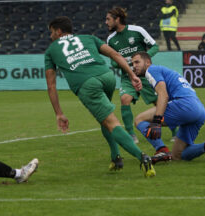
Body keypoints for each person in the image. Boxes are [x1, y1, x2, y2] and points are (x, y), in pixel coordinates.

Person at [43, 16, 155, 177]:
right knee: (105, 119)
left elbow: (51, 85)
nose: (50, 36)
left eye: (52, 32)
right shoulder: (89, 38)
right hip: (107, 77)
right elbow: (116, 55)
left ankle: (142, 157)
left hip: (87, 84)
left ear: (59, 31)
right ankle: (116, 158)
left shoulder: (51, 50)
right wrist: (132, 75)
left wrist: (59, 113)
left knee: (111, 122)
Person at [131, 52, 205, 163]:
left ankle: (161, 149)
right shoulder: (164, 71)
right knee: (177, 155)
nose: (134, 66)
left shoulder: (151, 70)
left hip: (184, 105)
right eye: (132, 63)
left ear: (148, 62)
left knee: (139, 119)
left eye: (137, 62)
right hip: (199, 110)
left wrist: (157, 121)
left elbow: (163, 95)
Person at [105, 7, 165, 150]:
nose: (106, 22)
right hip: (128, 76)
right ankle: (131, 134)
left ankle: (175, 130)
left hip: (145, 75)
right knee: (125, 99)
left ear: (117, 19)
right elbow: (113, 61)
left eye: (108, 19)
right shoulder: (111, 40)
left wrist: (142, 59)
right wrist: (123, 63)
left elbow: (154, 47)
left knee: (159, 104)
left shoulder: (137, 30)